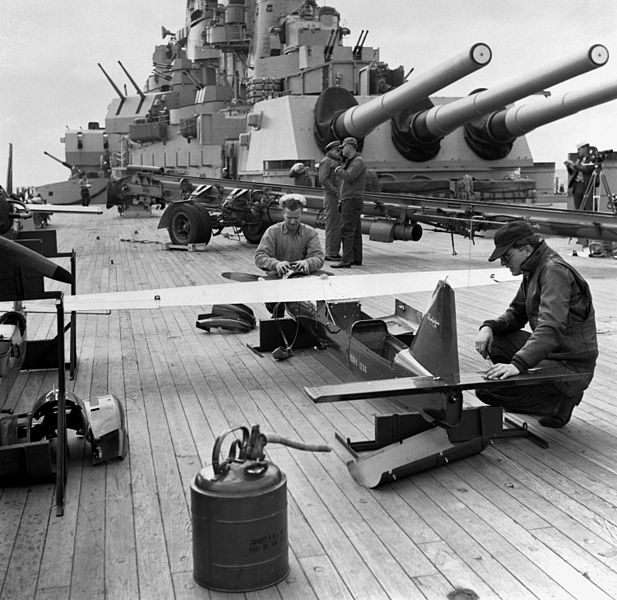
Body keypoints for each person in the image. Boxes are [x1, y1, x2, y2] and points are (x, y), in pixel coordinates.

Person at [474, 220, 598, 428]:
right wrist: (489, 327)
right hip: (554, 353)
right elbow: (516, 314)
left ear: (526, 248)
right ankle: (549, 396)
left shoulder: (553, 271)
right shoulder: (533, 268)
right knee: (496, 341)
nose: (503, 263)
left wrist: (517, 365)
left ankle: (557, 403)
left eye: (506, 256)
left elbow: (550, 328)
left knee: (488, 390)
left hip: (572, 366)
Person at [255, 193, 324, 278]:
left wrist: (308, 263)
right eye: (289, 218)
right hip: (278, 275)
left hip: (303, 276)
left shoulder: (311, 233)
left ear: (301, 214)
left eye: (296, 218)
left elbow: (319, 257)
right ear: (283, 213)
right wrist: (276, 264)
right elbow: (259, 257)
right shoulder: (272, 231)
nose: (292, 222)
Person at [331, 137, 366, 268]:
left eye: (342, 148)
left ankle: (346, 260)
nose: (341, 151)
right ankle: (356, 258)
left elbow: (349, 176)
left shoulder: (358, 161)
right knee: (355, 230)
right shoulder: (355, 161)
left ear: (349, 147)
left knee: (347, 230)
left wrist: (337, 168)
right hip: (351, 199)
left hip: (351, 200)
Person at [318, 140, 342, 260]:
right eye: (337, 150)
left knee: (337, 224)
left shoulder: (336, 162)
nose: (339, 152)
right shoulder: (326, 161)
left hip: (336, 196)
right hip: (332, 196)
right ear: (331, 150)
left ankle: (334, 251)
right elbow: (323, 179)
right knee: (332, 224)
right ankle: (330, 253)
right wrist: (336, 192)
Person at [565, 141, 595, 210]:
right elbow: (573, 172)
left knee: (588, 207)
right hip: (577, 185)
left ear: (585, 148)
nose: (578, 151)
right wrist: (569, 166)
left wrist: (574, 165)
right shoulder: (579, 160)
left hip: (586, 185)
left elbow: (587, 169)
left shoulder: (591, 159)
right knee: (578, 208)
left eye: (579, 149)